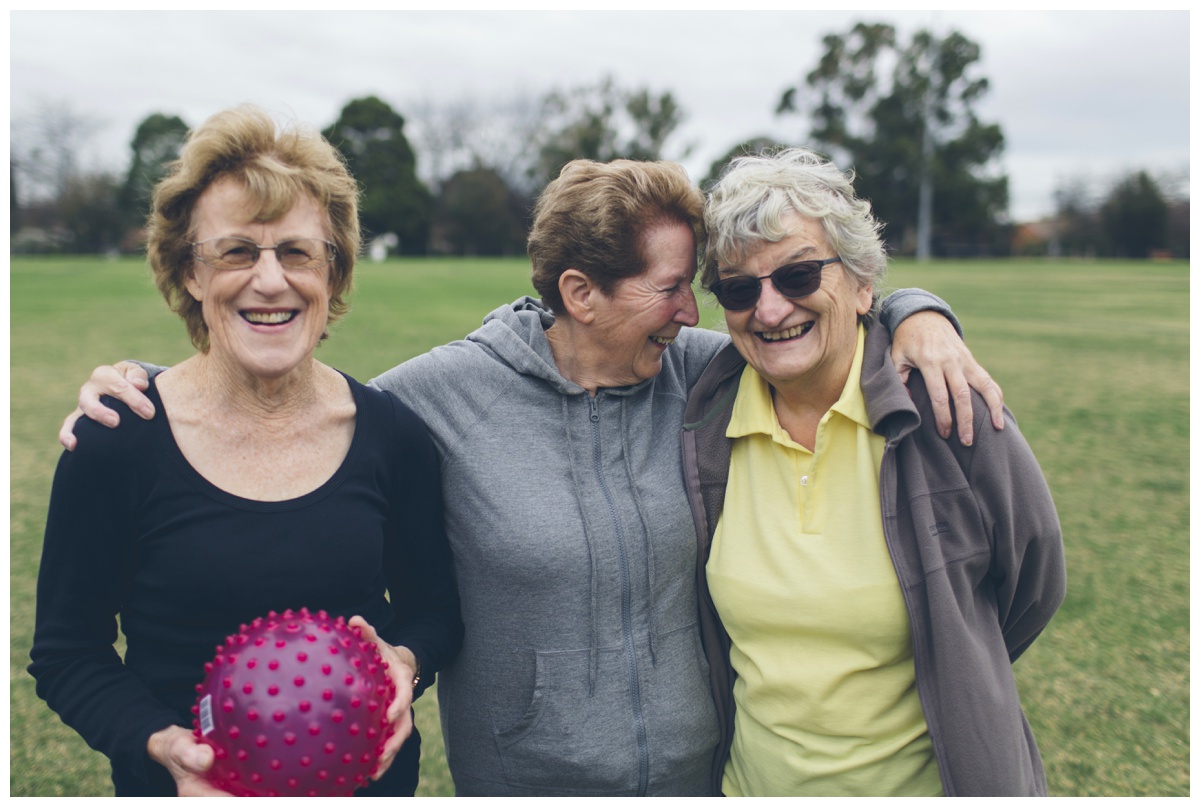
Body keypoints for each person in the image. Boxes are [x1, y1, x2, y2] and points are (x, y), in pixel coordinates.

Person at [60, 158, 1003, 796]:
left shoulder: (708, 372)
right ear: (580, 295)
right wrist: (138, 388)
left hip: (700, 777)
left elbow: (813, 319)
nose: (702, 306)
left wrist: (919, 313)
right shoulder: (436, 397)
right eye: (675, 286)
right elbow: (293, 399)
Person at [29, 106, 463, 798]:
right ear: (190, 274)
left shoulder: (394, 435)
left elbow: (436, 607)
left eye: (296, 251)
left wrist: (405, 661)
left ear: (333, 271)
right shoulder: (119, 439)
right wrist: (162, 745)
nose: (269, 280)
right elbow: (66, 652)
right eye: (236, 251)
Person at [681, 148, 1066, 796]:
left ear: (863, 284)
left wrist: (964, 658)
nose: (769, 310)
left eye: (799, 276)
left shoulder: (949, 408)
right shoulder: (704, 412)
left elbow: (1036, 581)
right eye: (740, 289)